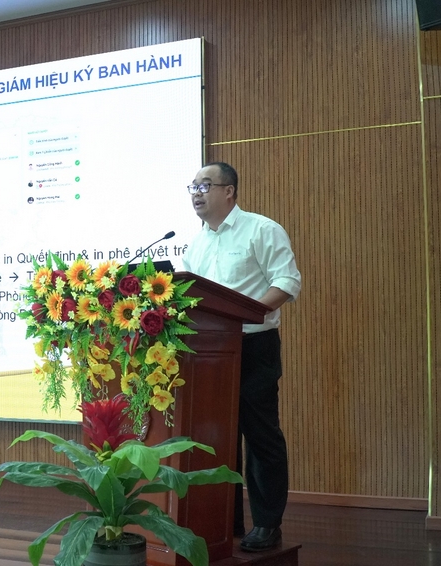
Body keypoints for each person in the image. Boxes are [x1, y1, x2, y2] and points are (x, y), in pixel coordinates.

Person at [181, 162, 301, 553]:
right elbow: (188, 298)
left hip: (254, 347)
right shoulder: (196, 244)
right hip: (209, 353)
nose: (196, 193)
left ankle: (267, 523)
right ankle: (224, 519)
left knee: (260, 435)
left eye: (204, 186)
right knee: (218, 438)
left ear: (229, 191)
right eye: (192, 187)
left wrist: (247, 315)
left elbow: (287, 281)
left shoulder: (261, 230)